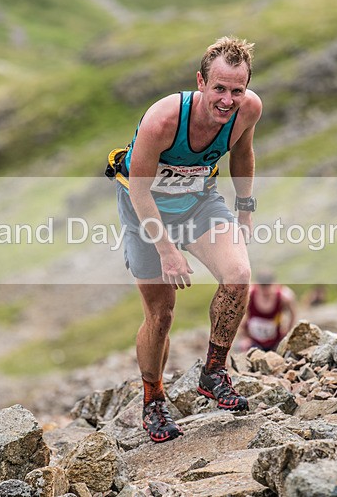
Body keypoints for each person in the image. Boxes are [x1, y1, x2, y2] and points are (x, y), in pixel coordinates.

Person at [107, 36, 262, 443]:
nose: (227, 100)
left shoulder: (249, 110)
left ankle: (213, 372)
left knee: (239, 274)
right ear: (200, 82)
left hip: (198, 204)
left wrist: (244, 207)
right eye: (219, 89)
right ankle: (153, 400)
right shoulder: (163, 120)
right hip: (146, 212)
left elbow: (242, 154)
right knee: (161, 314)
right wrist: (166, 249)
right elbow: (139, 191)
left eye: (237, 90)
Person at [239, 270, 298, 352]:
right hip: (253, 341)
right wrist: (244, 337)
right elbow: (238, 316)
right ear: (256, 284)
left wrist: (288, 332)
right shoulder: (249, 294)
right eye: (262, 287)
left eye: (268, 286)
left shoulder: (284, 297)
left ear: (275, 284)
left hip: (275, 340)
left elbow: (293, 314)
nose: (266, 291)